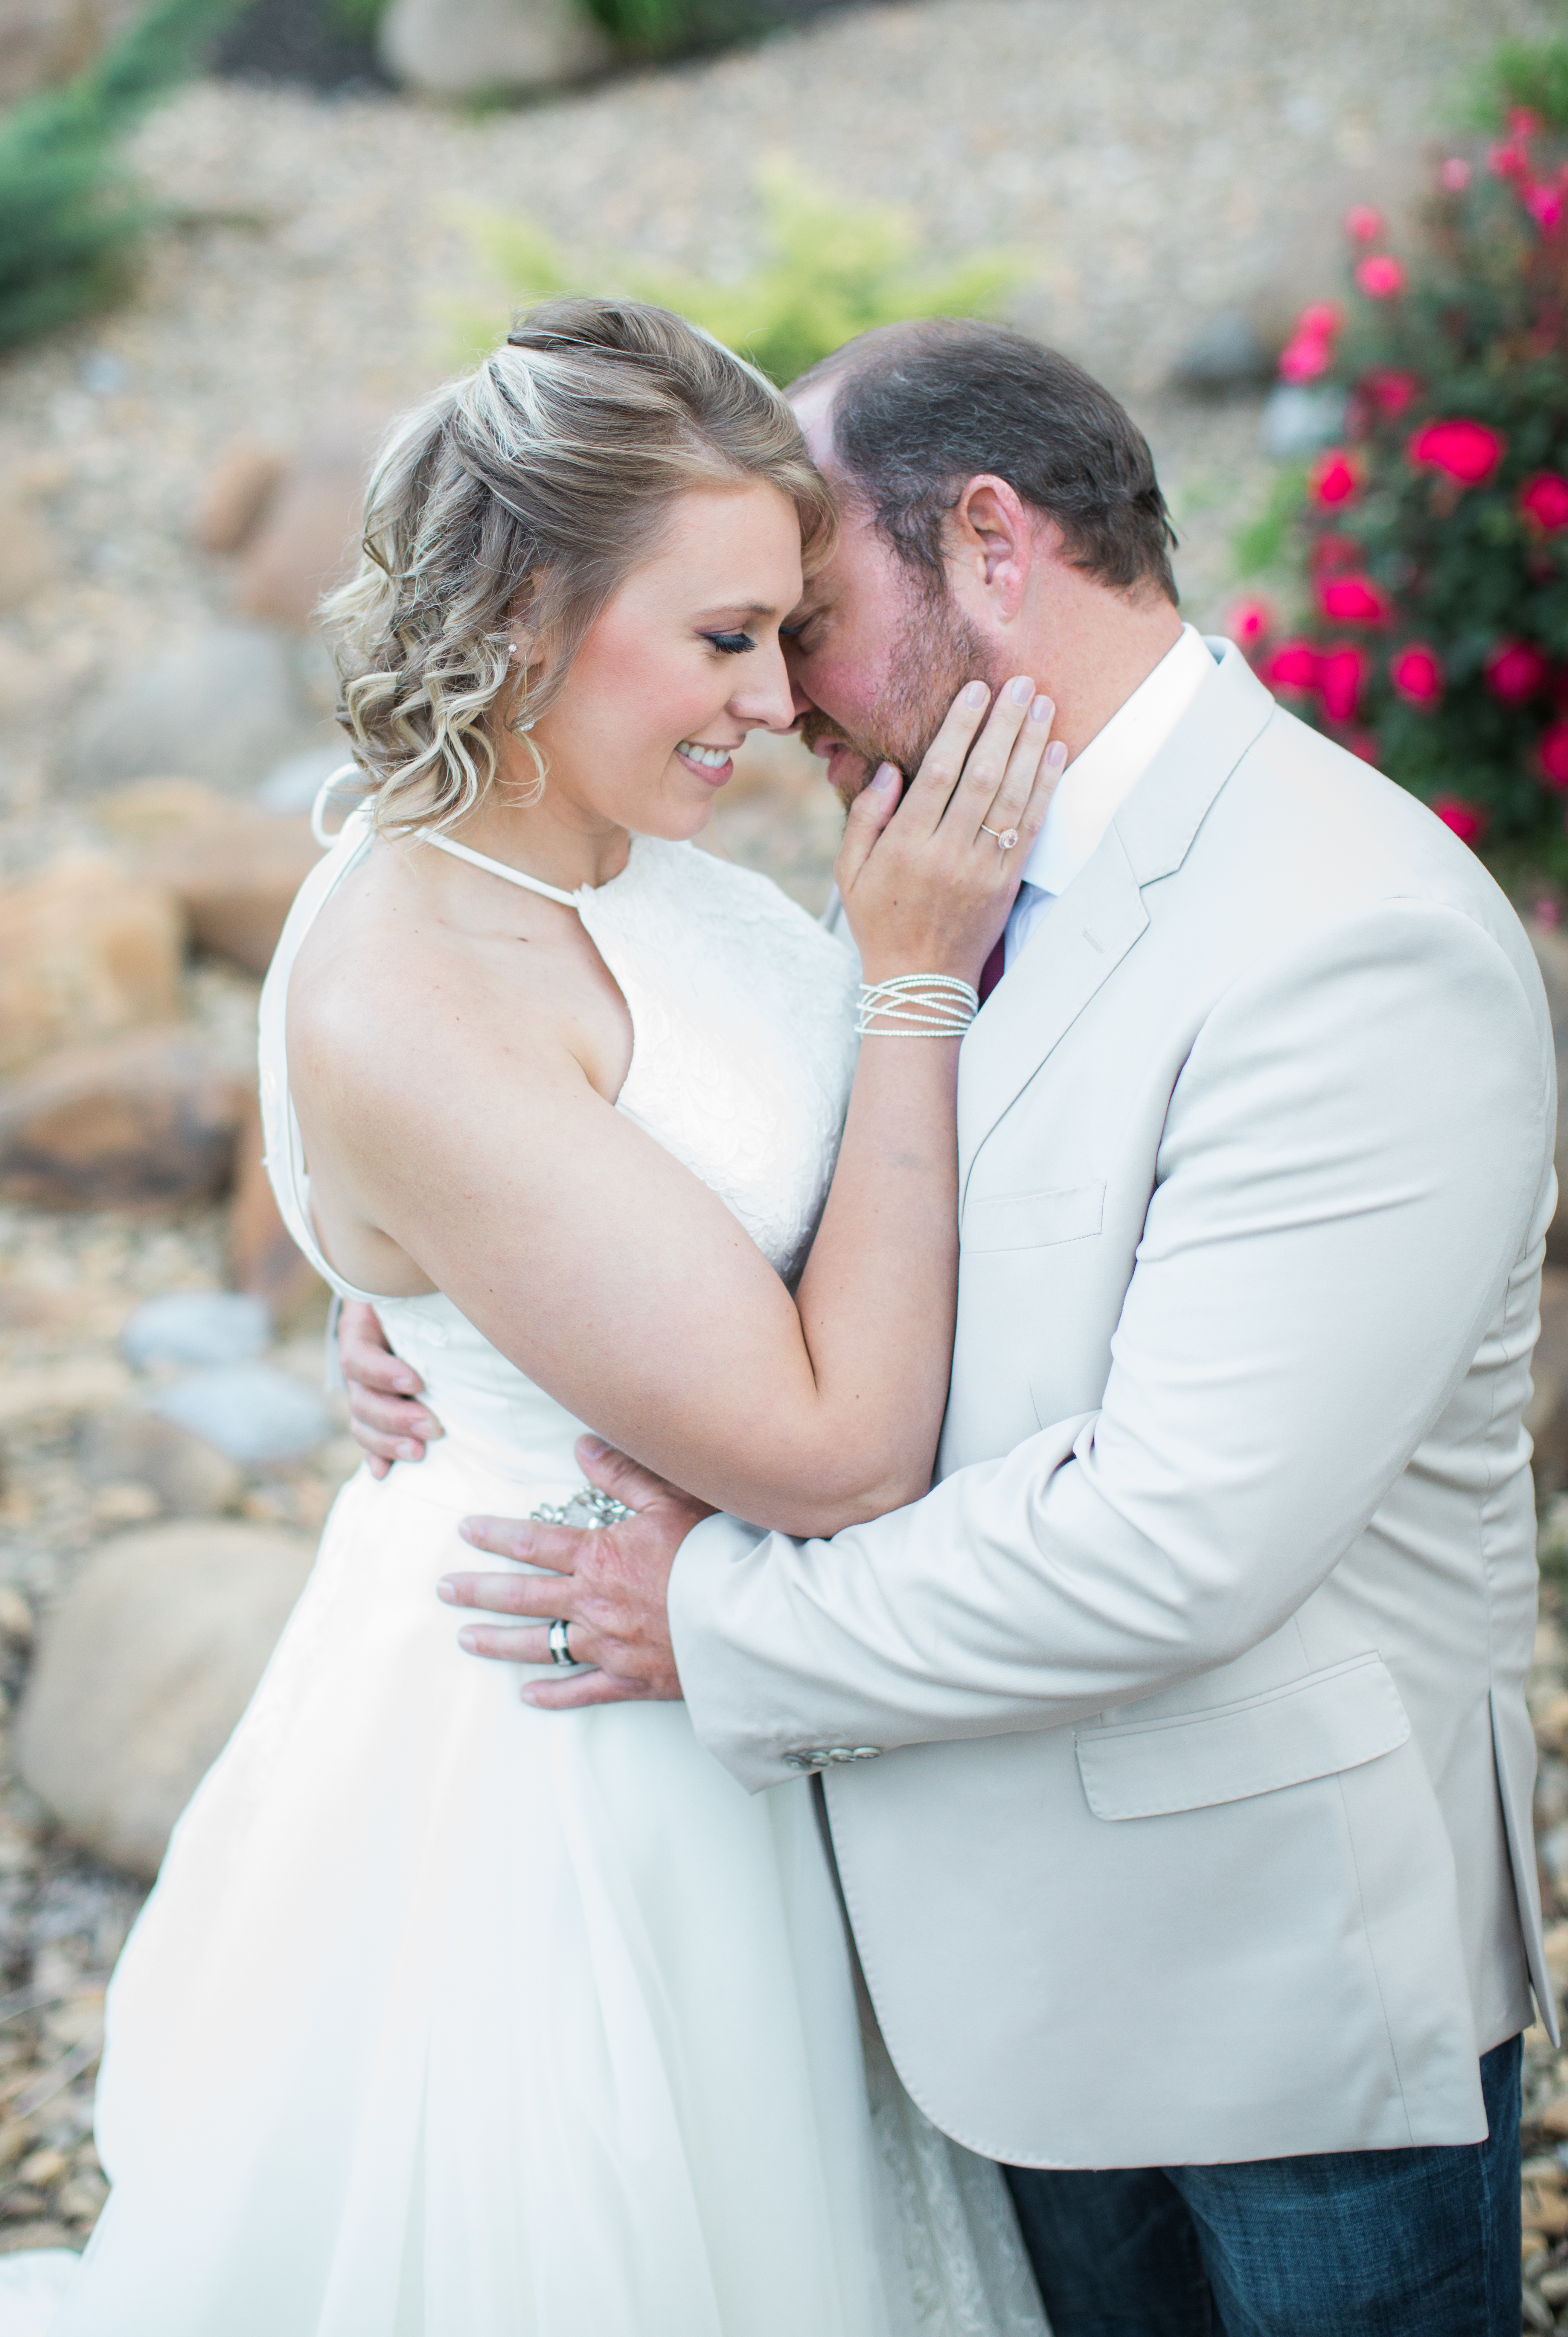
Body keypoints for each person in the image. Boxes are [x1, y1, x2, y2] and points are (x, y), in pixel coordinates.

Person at [349, 319, 1559, 2336]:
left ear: (987, 542)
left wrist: (704, 1620)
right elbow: (780, 1220)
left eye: (803, 614)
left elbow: (1181, 1535)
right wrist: (461, 1313)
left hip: (1260, 2004)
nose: (769, 686)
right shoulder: (916, 862)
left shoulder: (1351, 935)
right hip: (969, 1988)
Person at [42, 303, 1063, 2336]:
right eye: (718, 640)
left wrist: (433, 1299)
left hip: (733, 1674)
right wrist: (915, 978)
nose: (774, 703)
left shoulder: (620, 860)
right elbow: (833, 1446)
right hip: (567, 1757)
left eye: (780, 632)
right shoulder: (418, 985)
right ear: (524, 611)